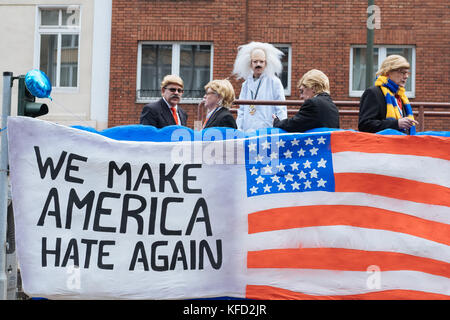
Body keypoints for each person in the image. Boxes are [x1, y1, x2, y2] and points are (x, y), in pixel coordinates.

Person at [233, 41, 287, 132]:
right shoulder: (245, 85)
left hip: (268, 131)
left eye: (261, 61)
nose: (258, 64)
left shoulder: (274, 82)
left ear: (266, 63)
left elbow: (281, 108)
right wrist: (239, 129)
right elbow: (241, 110)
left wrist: (282, 129)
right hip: (248, 130)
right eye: (255, 61)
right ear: (250, 63)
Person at [358, 55, 418, 134]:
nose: (406, 76)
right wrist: (396, 124)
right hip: (381, 144)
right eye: (402, 72)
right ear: (388, 72)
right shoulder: (373, 93)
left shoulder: (400, 96)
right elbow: (364, 125)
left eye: (407, 73)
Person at [273, 69, 339, 132]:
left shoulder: (313, 104)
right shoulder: (332, 105)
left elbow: (294, 125)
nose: (301, 96)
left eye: (302, 91)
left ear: (313, 88)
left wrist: (277, 123)